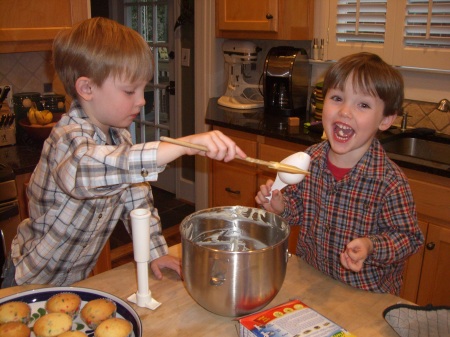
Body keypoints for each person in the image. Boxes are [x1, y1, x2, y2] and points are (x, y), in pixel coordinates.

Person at [1, 17, 246, 288]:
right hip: (27, 280)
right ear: (87, 88)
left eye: (142, 88)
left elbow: (136, 201)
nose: (141, 100)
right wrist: (183, 145)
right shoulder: (66, 137)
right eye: (130, 90)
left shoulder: (119, 137)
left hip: (71, 282)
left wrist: (156, 252)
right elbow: (87, 172)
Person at [255, 52, 424, 295]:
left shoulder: (390, 182)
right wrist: (280, 208)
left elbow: (408, 239)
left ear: (386, 119)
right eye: (337, 98)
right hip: (313, 282)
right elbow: (300, 209)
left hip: (365, 296)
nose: (345, 111)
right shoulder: (309, 160)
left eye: (363, 105)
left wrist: (370, 245)